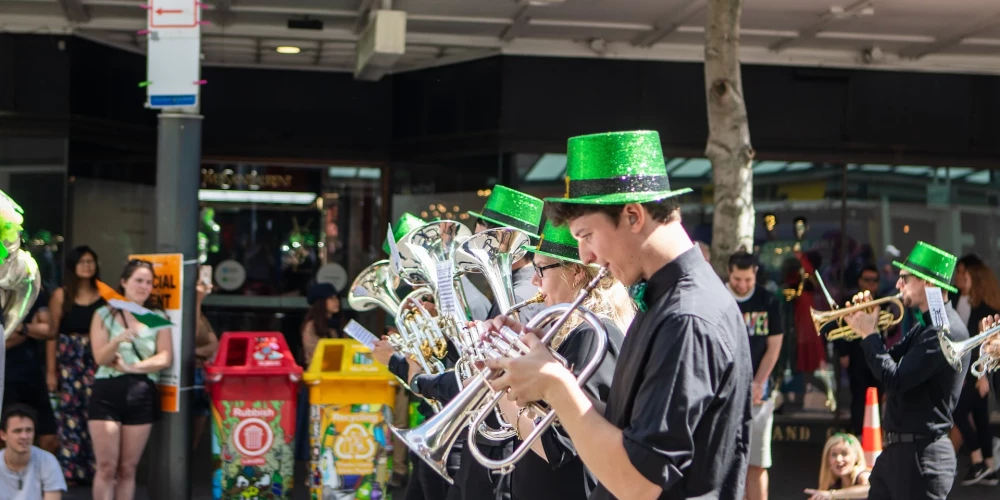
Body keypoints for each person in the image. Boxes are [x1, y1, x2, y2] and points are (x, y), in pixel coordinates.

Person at [483, 130, 753, 499]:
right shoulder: (665, 299)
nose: (586, 256)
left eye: (586, 235)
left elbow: (638, 483)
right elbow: (625, 427)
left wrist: (554, 384)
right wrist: (540, 364)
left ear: (633, 215)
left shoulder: (686, 316)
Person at [404, 186, 547, 500]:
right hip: (488, 441)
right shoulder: (514, 293)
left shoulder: (522, 298)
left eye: (482, 235)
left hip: (498, 445)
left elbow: (488, 377)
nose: (472, 243)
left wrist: (420, 380)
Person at [498, 220, 633, 499]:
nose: (534, 281)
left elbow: (555, 446)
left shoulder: (591, 334)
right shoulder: (570, 332)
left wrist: (498, 386)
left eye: (541, 269)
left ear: (576, 273)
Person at [843, 241, 968, 499]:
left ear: (928, 283)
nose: (898, 285)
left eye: (905, 278)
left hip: (921, 456)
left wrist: (869, 334)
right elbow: (887, 362)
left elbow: (894, 379)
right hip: (898, 453)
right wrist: (868, 325)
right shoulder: (926, 327)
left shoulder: (944, 332)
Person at [88, 259, 174, 500]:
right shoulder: (104, 313)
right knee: (106, 467)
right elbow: (100, 357)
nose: (143, 286)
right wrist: (117, 340)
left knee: (128, 468)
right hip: (107, 390)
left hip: (141, 391)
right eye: (138, 280)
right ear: (124, 282)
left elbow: (165, 357)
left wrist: (131, 367)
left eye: (148, 282)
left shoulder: (157, 317)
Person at [46, 245, 105, 484]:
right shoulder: (61, 295)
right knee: (69, 414)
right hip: (68, 360)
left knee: (95, 413)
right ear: (72, 266)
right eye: (82, 261)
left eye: (91, 261)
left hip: (96, 357)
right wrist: (51, 371)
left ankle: (95, 469)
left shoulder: (104, 294)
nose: (87, 266)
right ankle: (70, 470)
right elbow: (52, 335)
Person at [726, 251, 783, 500]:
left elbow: (774, 346)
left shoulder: (768, 300)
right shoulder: (718, 296)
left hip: (759, 392)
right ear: (729, 273)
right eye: (737, 279)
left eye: (748, 279)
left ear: (755, 274)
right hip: (725, 391)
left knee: (757, 462)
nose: (742, 285)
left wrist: (758, 382)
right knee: (725, 461)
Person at [951, 254, 1000, 486]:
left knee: (959, 411)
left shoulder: (983, 308)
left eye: (964, 272)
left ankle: (978, 459)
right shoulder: (954, 297)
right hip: (961, 367)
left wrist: (983, 376)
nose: (959, 276)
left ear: (974, 277)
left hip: (975, 370)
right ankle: (988, 467)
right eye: (958, 272)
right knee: (980, 416)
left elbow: (985, 343)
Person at [4, 284, 58, 455]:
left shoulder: (32, 292)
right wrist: (30, 329)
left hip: (33, 375)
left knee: (49, 437)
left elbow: (48, 330)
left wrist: (21, 328)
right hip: (4, 378)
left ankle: (38, 471)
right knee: (5, 436)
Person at [835, 264, 885, 437]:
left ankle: (874, 436)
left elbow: (891, 330)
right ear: (860, 282)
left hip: (877, 355)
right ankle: (858, 433)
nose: (871, 284)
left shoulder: (882, 303)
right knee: (858, 395)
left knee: (877, 394)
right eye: (867, 280)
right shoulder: (850, 302)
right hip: (857, 355)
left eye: (874, 280)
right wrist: (843, 352)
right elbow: (840, 328)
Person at [0, 404, 66, 500]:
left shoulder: (48, 461)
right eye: (17, 431)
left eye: (29, 430)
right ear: (3, 434)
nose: (24, 436)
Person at [192, 271, 219, 452]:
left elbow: (214, 345)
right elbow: (191, 334)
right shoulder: (188, 309)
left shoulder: (201, 314)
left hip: (201, 373)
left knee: (201, 414)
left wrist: (195, 352)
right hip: (187, 375)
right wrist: (197, 300)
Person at [803, 433, 870, 500]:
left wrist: (831, 494)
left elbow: (870, 489)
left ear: (856, 456)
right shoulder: (837, 484)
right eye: (834, 455)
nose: (838, 459)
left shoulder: (863, 476)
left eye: (844, 454)